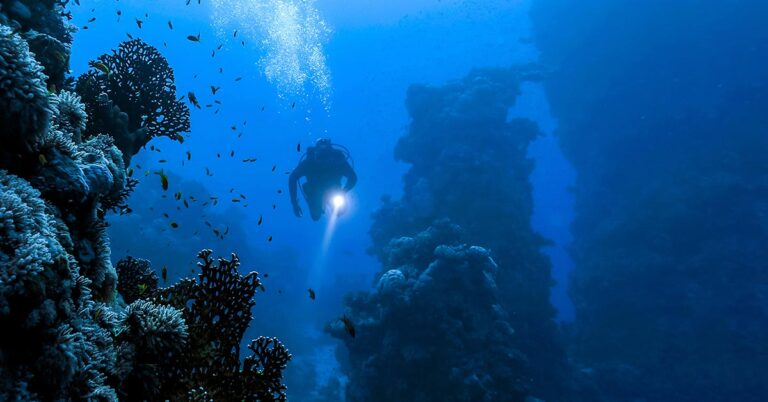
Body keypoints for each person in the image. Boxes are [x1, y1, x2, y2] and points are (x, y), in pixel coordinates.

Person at [289, 138, 357, 221]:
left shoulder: (338, 160)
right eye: (321, 156)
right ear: (316, 153)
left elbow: (353, 177)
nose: (324, 161)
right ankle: (313, 200)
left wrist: (343, 191)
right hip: (314, 191)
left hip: (334, 191)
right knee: (315, 216)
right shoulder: (309, 162)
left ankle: (323, 201)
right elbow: (292, 178)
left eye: (326, 155)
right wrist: (294, 203)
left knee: (340, 211)